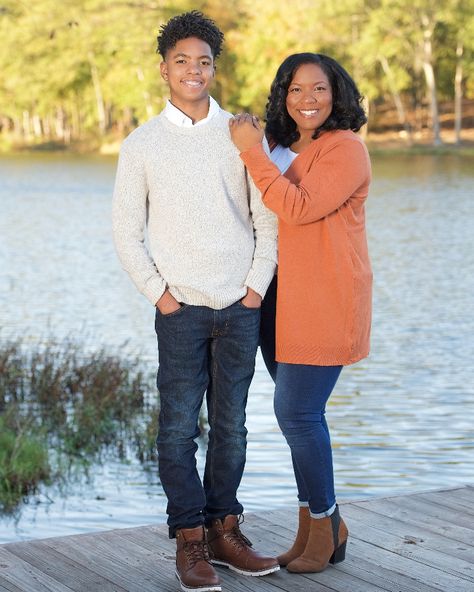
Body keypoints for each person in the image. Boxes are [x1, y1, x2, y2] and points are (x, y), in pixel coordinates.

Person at [112, 11, 279, 592]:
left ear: (214, 69)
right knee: (179, 428)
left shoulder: (239, 133)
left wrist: (255, 289)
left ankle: (225, 532)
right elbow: (126, 232)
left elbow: (266, 219)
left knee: (232, 427)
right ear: (164, 70)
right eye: (181, 60)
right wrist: (160, 296)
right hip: (179, 311)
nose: (193, 70)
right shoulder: (141, 145)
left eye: (203, 61)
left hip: (239, 307)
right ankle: (189, 541)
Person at [229, 52, 372, 574]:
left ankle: (328, 521)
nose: (306, 100)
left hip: (323, 299)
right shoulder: (281, 145)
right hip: (275, 299)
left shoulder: (346, 149)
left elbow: (297, 207)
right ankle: (314, 525)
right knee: (299, 420)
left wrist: (252, 154)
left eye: (317, 89)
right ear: (282, 96)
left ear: (337, 93)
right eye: (294, 90)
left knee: (297, 414)